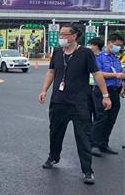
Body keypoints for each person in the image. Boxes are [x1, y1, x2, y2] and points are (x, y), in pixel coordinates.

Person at [38, 24, 111, 185]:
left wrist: (105, 95)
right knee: (55, 133)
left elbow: (97, 74)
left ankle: (87, 171)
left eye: (65, 34)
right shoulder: (57, 52)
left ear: (74, 36)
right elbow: (51, 72)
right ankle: (53, 157)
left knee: (83, 137)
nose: (61, 37)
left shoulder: (85, 53)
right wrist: (44, 90)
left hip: (80, 103)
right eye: (60, 34)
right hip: (58, 101)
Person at [91, 33, 124, 157]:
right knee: (101, 117)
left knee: (111, 119)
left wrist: (122, 82)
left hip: (115, 90)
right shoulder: (99, 57)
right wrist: (115, 75)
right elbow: (98, 74)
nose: (118, 48)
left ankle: (103, 144)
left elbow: (121, 74)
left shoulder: (116, 58)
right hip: (102, 91)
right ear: (109, 43)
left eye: (120, 46)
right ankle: (93, 145)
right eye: (116, 45)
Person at [86, 37, 105, 154]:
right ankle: (88, 142)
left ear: (96, 46)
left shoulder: (101, 57)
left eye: (90, 44)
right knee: (86, 116)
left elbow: (100, 74)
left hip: (97, 89)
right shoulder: (87, 55)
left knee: (99, 116)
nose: (89, 46)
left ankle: (95, 143)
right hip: (87, 89)